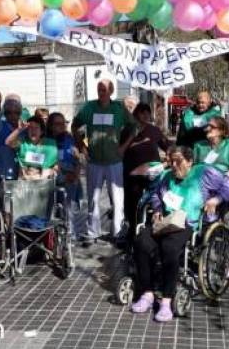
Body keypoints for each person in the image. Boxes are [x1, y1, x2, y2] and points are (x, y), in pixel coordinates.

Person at [131, 146, 229, 322]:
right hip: (166, 221)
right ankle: (147, 294)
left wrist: (215, 199)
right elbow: (157, 194)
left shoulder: (203, 173)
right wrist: (157, 209)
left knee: (169, 247)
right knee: (141, 241)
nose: (173, 165)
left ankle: (166, 300)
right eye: (171, 161)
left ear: (189, 162)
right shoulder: (166, 176)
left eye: (177, 161)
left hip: (187, 223)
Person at [71, 74, 136, 243]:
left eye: (105, 89)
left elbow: (133, 127)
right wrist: (82, 147)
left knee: (117, 198)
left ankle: (117, 231)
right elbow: (74, 126)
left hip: (114, 160)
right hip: (94, 161)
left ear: (112, 91)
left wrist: (124, 146)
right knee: (93, 198)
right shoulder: (89, 107)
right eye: (99, 89)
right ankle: (93, 231)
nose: (102, 92)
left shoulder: (119, 108)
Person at [193, 116, 229, 246]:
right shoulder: (199, 146)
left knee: (228, 227)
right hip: (204, 189)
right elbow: (193, 167)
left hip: (228, 187)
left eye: (212, 127)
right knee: (206, 224)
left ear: (222, 131)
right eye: (206, 126)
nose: (207, 128)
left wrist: (228, 175)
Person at [123, 103, 170, 240]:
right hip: (132, 174)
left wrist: (170, 155)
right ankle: (132, 231)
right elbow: (119, 150)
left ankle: (151, 230)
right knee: (132, 204)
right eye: (142, 112)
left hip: (152, 174)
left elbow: (166, 145)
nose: (145, 115)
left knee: (154, 201)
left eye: (147, 112)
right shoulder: (127, 130)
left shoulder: (154, 130)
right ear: (136, 114)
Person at [47, 112, 83, 239]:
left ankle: (71, 235)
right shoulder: (47, 141)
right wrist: (62, 176)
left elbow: (78, 160)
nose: (62, 126)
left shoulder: (70, 139)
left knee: (70, 209)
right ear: (50, 126)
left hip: (71, 178)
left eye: (64, 123)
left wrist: (76, 175)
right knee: (54, 209)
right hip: (56, 177)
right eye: (58, 124)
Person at [5, 116, 58, 180]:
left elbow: (51, 166)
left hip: (43, 181)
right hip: (25, 181)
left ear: (42, 131)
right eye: (30, 128)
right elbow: (8, 142)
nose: (33, 130)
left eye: (36, 127)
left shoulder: (50, 144)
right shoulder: (23, 143)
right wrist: (19, 129)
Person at [0, 88, 22, 180]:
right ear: (4, 113)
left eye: (16, 112)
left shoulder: (25, 129)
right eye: (9, 112)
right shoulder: (0, 127)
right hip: (4, 176)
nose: (13, 115)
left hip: (23, 176)